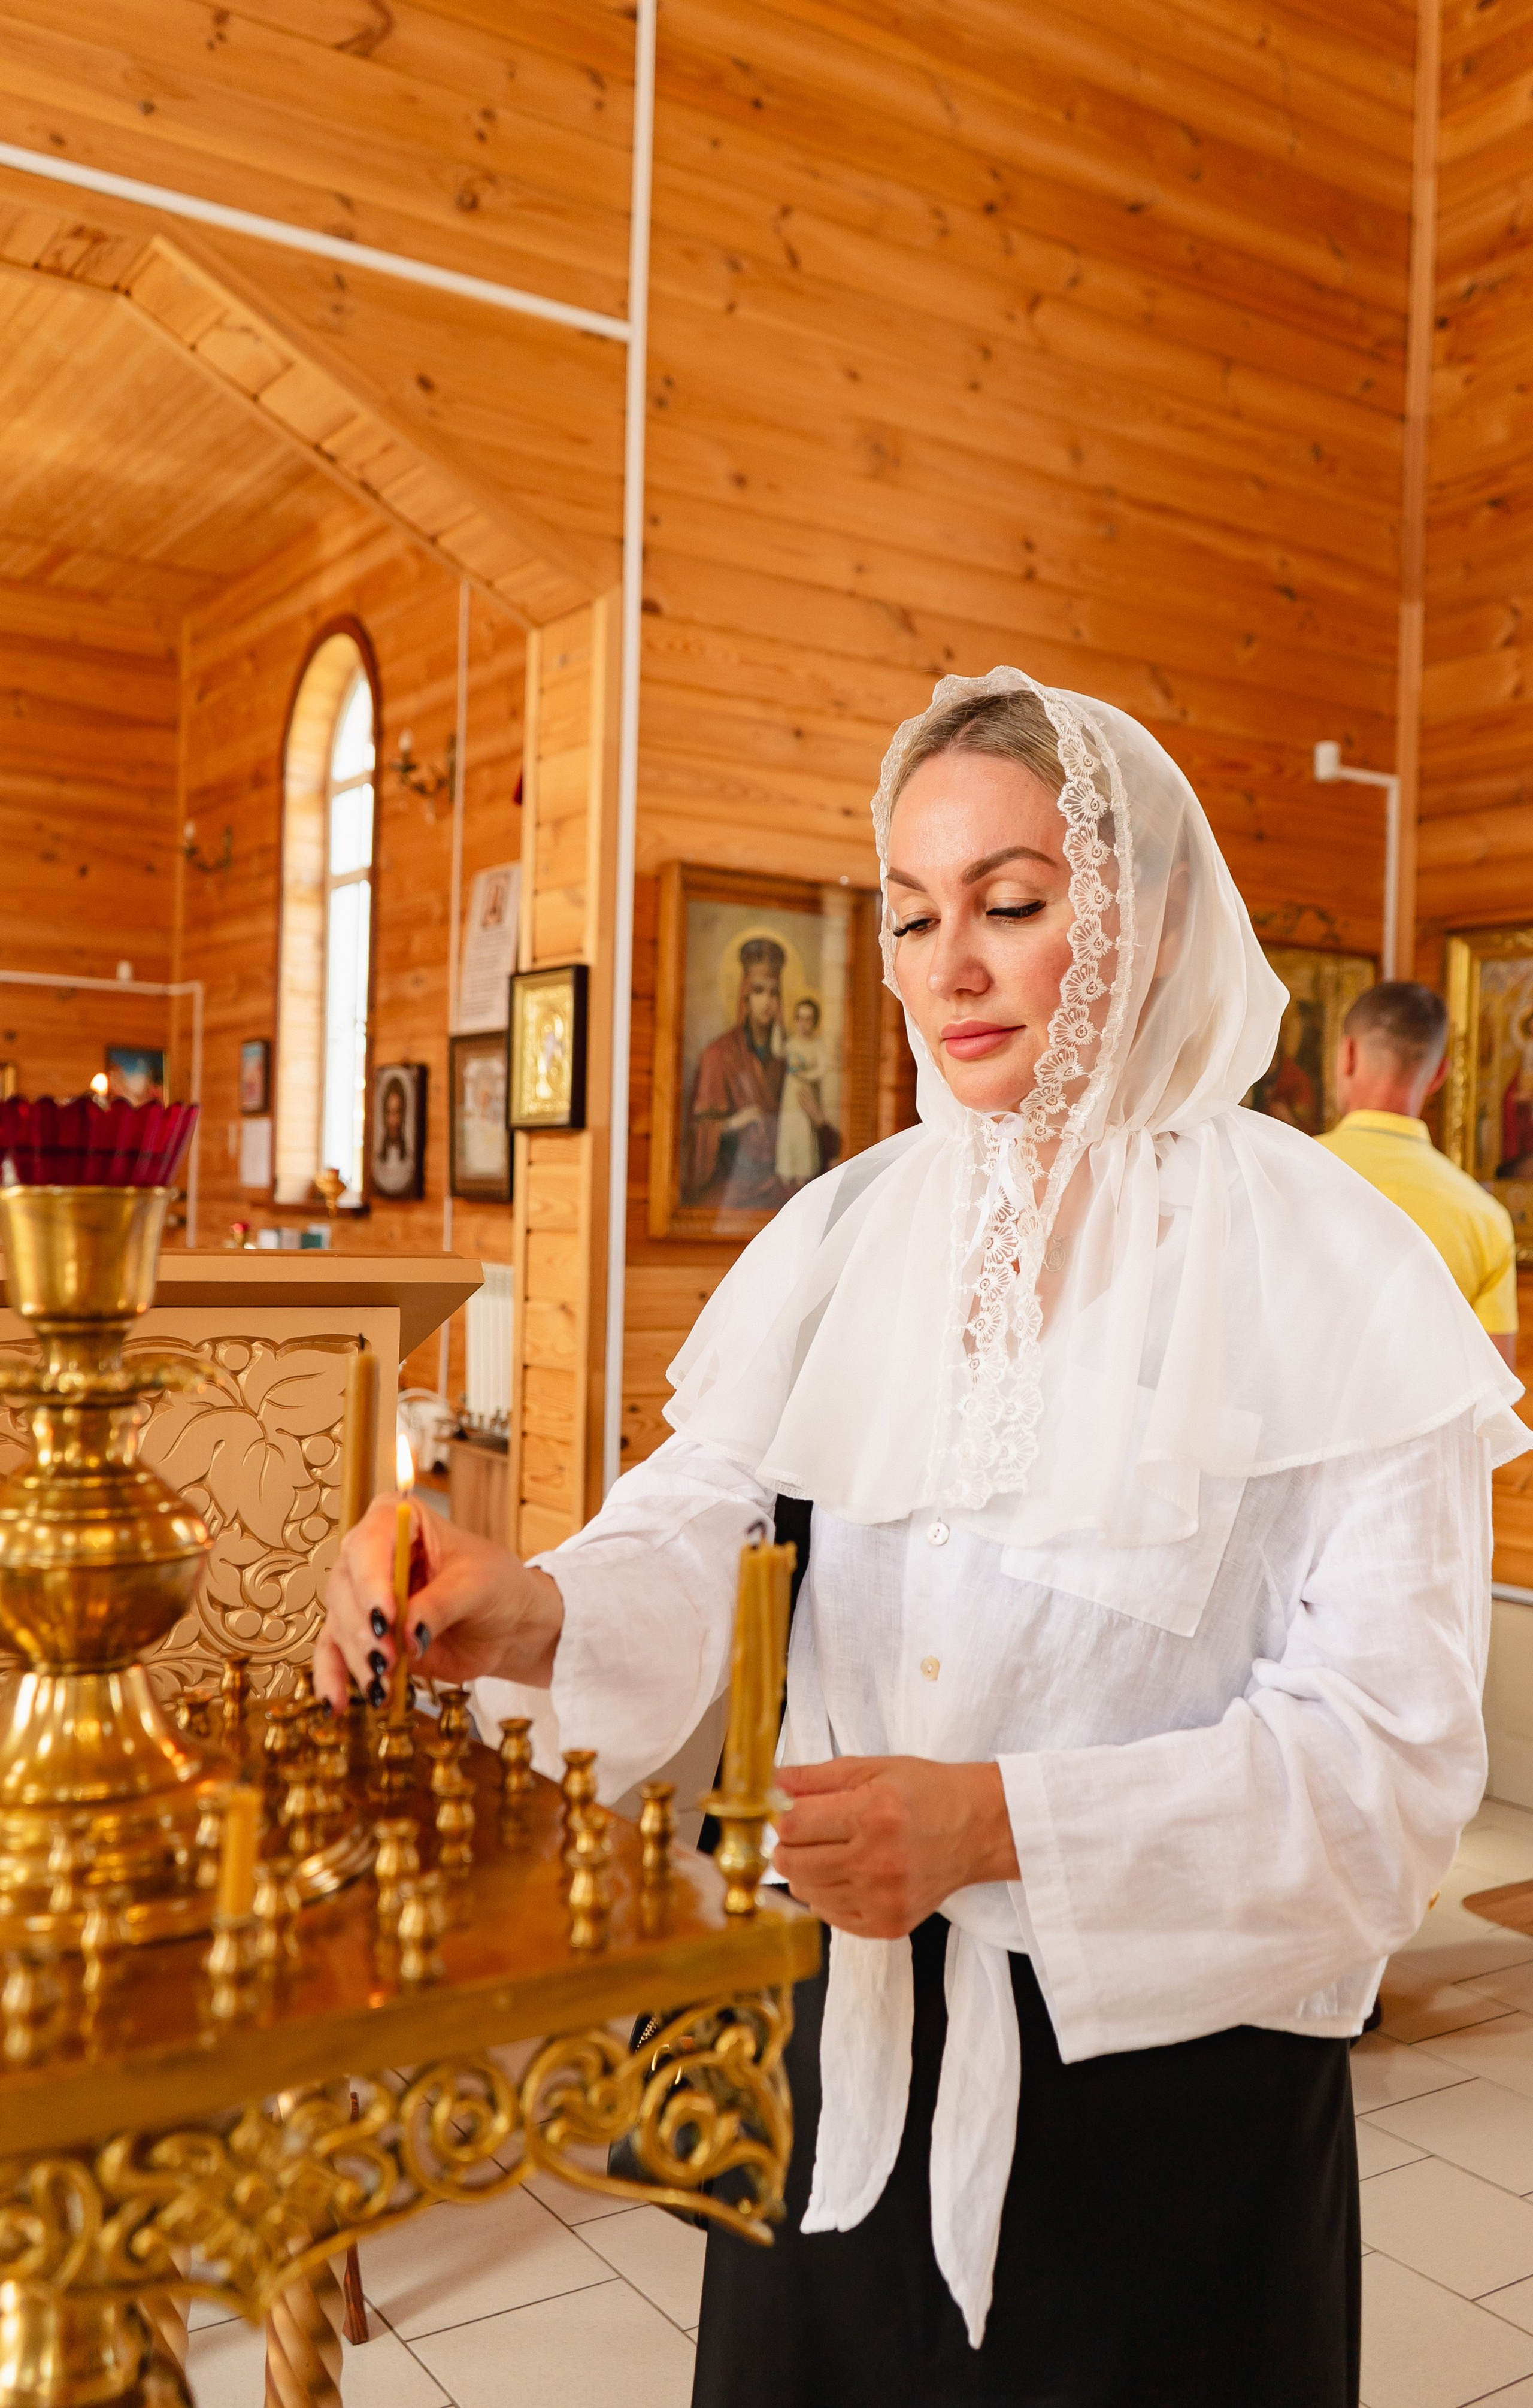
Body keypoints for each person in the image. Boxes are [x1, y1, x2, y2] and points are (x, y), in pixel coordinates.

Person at [318, 670, 1529, 2408]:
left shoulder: (1336, 1272)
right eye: (908, 914)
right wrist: (525, 1611)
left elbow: (1395, 1763)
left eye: (1013, 905)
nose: (948, 962)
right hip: (833, 2058)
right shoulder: (842, 1231)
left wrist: (1001, 1823)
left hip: (1164, 2106)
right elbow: (700, 1526)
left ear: (1143, 913)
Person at [1320, 980, 1518, 1371]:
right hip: (1423, 1433)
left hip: (1290, 1430)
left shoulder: (1270, 1172)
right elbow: (1496, 1392)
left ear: (1348, 1054)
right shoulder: (1486, 1217)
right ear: (1439, 1075)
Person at [684, 936, 789, 1211]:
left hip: (780, 1183)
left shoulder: (788, 1056)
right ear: (745, 994)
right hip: (731, 1183)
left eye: (773, 992)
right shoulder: (719, 1054)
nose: (767, 1001)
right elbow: (698, 1132)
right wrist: (732, 1124)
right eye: (758, 991)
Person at [775, 994, 830, 1189]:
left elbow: (823, 1069)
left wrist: (805, 1075)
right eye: (800, 1019)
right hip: (790, 1095)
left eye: (808, 1019)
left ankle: (803, 1173)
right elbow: (777, 1051)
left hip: (806, 1096)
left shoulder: (817, 1045)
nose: (804, 1024)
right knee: (790, 1129)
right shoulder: (791, 1043)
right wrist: (776, 1026)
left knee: (804, 1131)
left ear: (814, 1022)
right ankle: (787, 1171)